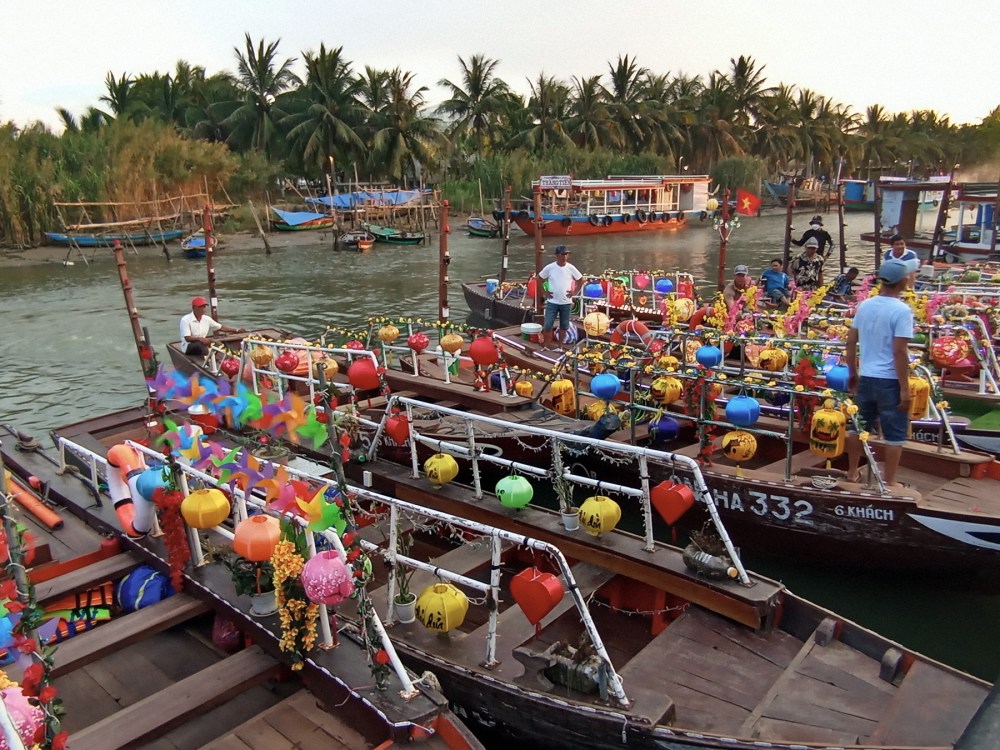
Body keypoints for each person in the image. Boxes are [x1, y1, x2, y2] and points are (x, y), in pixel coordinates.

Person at [845, 259, 913, 488]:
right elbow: (899, 351)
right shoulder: (902, 310)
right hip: (890, 381)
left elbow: (851, 342)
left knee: (858, 427)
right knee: (894, 433)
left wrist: (852, 371)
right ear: (902, 281)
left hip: (866, 376)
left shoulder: (865, 305)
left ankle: (852, 472)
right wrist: (905, 388)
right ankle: (890, 481)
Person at [538, 245, 582, 349]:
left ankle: (560, 346)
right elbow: (539, 278)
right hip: (552, 301)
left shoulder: (571, 268)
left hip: (566, 302)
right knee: (548, 324)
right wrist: (545, 292)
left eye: (567, 254)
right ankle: (546, 346)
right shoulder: (550, 267)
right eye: (563, 254)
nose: (565, 256)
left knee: (564, 325)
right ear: (557, 255)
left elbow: (581, 279)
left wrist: (574, 291)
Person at [179, 296, 245, 356]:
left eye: (204, 307)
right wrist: (200, 338)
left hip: (203, 342)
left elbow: (220, 327)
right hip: (188, 346)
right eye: (200, 307)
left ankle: (231, 357)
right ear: (194, 308)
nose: (203, 309)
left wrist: (236, 330)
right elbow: (187, 338)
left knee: (218, 344)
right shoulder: (185, 320)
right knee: (200, 345)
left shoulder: (206, 319)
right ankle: (208, 361)